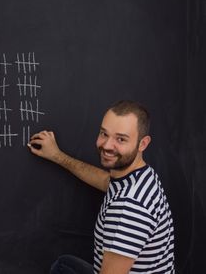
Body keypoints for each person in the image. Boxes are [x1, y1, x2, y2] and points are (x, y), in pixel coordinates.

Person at [28, 100, 175, 274]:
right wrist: (57, 156)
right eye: (104, 134)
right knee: (63, 265)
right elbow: (106, 181)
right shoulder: (139, 175)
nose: (106, 145)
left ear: (142, 144)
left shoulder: (129, 209)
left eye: (120, 139)